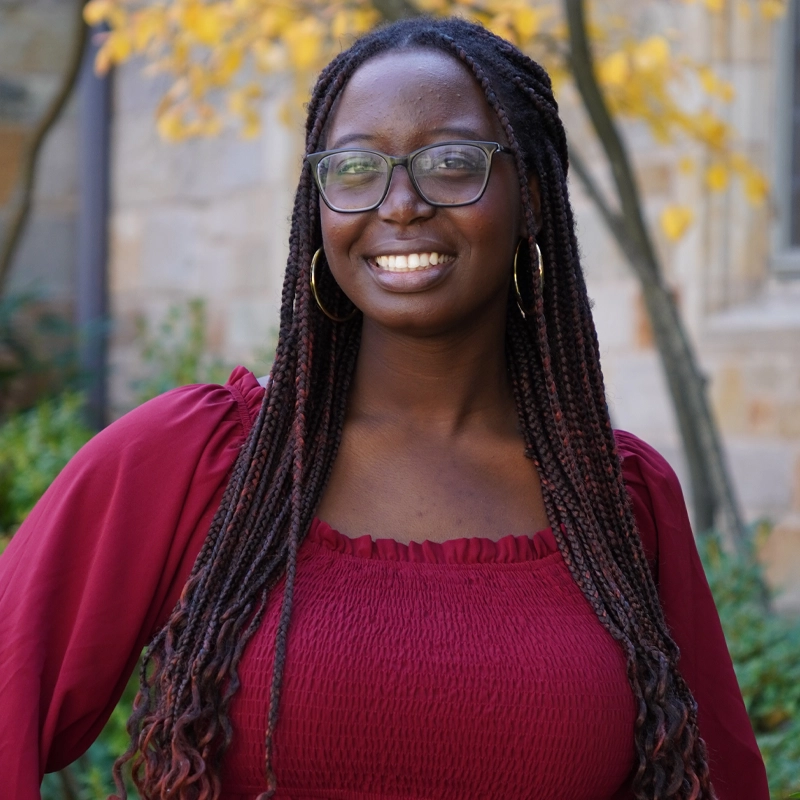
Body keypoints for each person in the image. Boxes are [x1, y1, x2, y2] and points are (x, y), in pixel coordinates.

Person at [0, 16, 769, 800]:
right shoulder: (197, 461)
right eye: (358, 167)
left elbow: (718, 780)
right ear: (319, 205)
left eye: (452, 161)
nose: (400, 203)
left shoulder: (617, 499)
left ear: (531, 196)